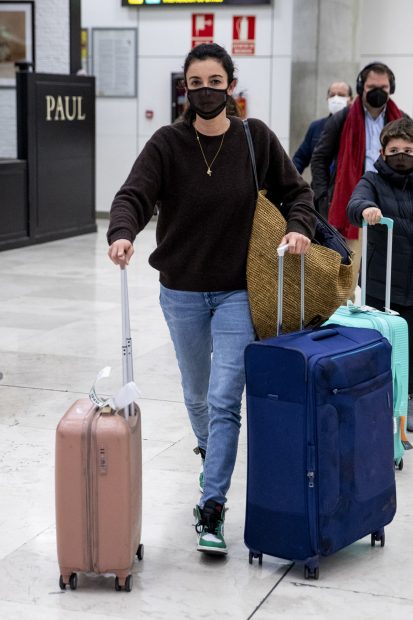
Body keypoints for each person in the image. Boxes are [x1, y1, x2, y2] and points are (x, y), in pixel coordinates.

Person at [107, 43, 315, 556]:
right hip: (180, 291)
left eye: (215, 81)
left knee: (226, 399)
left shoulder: (254, 138)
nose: (205, 91)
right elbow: (133, 194)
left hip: (239, 291)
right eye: (195, 82)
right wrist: (123, 231)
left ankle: (213, 504)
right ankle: (210, 452)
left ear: (231, 85)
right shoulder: (167, 144)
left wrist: (297, 228)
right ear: (186, 87)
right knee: (198, 394)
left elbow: (298, 193)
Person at [311, 62, 405, 301]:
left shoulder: (401, 121)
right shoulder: (342, 119)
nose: (378, 91)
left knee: (386, 275)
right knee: (346, 281)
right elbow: (319, 157)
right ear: (362, 87)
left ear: (391, 88)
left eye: (383, 87)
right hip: (351, 206)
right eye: (372, 86)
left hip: (389, 206)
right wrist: (324, 196)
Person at [347, 117, 413, 432]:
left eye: (409, 149)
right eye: (395, 149)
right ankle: (377, 398)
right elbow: (355, 203)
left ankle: (408, 401)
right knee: (382, 343)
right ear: (383, 153)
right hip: (381, 281)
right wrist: (365, 209)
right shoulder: (373, 180)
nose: (402, 155)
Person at [292, 81, 353, 174]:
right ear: (327, 98)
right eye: (332, 95)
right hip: (320, 184)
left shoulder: (356, 128)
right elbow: (300, 158)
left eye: (341, 95)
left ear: (351, 99)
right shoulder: (316, 127)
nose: (336, 99)